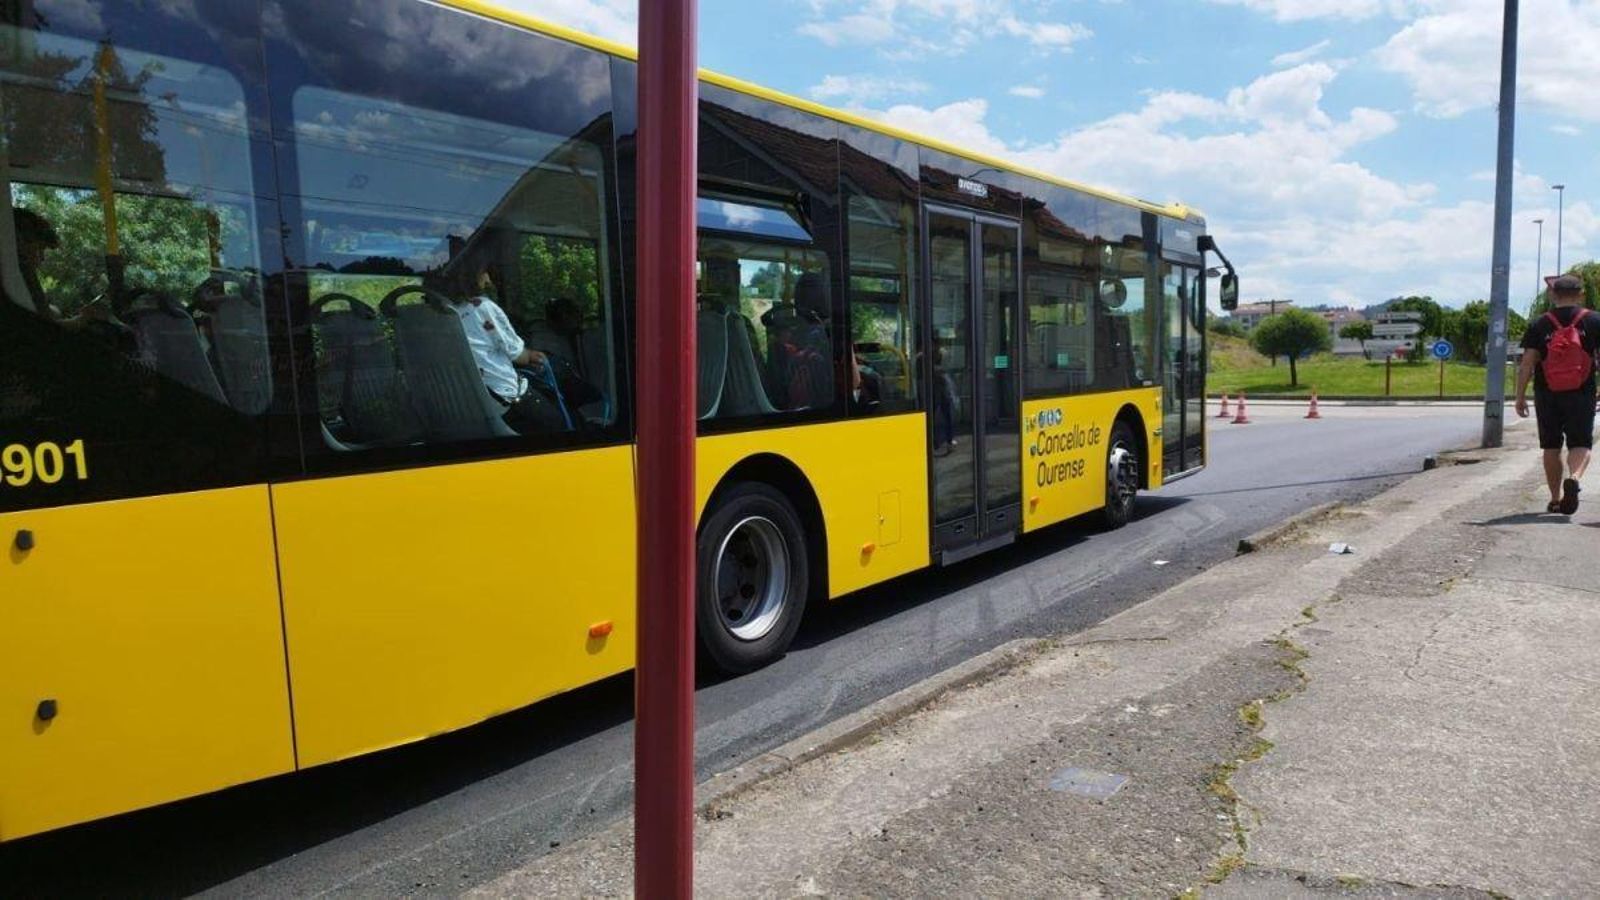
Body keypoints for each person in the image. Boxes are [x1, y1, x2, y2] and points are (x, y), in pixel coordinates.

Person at [1515, 274, 1600, 514]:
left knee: (1551, 446)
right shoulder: (1594, 321)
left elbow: (1527, 364)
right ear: (1581, 294)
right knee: (1581, 443)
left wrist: (1520, 396)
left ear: (1553, 295)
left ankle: (1555, 499)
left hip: (1547, 393)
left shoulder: (1539, 324)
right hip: (1582, 392)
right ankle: (1573, 477)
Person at [446, 268, 565, 432]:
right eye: (485, 273)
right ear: (474, 277)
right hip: (506, 398)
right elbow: (516, 354)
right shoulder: (481, 306)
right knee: (561, 425)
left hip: (473, 405)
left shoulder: (445, 317)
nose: (489, 281)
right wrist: (532, 355)